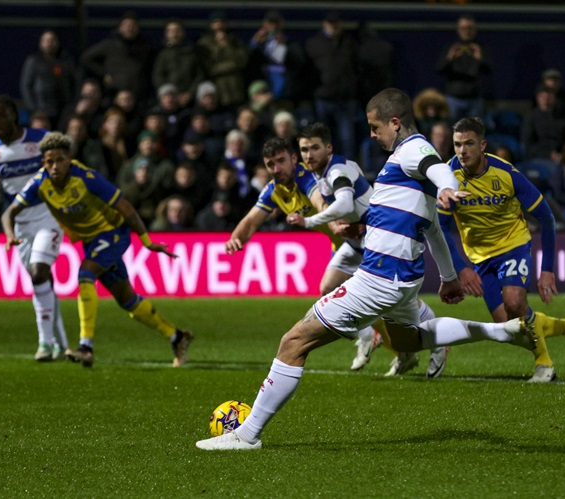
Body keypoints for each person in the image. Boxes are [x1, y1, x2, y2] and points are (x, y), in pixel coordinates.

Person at [195, 88, 538, 450]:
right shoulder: (408, 166)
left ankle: (247, 435)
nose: (372, 135)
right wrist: (449, 276)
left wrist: (449, 186)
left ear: (395, 123)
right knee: (407, 340)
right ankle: (500, 331)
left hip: (379, 277)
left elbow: (436, 168)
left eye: (375, 127)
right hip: (404, 277)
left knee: (293, 342)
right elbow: (433, 228)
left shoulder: (413, 150)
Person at [1, 132, 194, 368]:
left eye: (60, 160)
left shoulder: (87, 178)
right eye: (49, 162)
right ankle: (176, 336)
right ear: (43, 162)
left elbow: (126, 207)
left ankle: (86, 347)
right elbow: (9, 213)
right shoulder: (40, 182)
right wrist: (9, 234)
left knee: (86, 273)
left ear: (69, 159)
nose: (55, 166)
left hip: (113, 232)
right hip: (91, 241)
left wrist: (146, 241)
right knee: (127, 299)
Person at [439, 117, 565, 383]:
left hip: (512, 245)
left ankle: (544, 365)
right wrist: (462, 269)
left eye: (469, 144)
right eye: (457, 144)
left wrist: (547, 270)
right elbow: (441, 228)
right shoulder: (448, 178)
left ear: (482, 145)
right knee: (509, 327)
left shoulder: (506, 174)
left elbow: (546, 217)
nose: (462, 151)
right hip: (480, 257)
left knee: (515, 302)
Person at [288, 123, 448, 376]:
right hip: (357, 242)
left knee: (400, 302)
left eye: (314, 148)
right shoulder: (322, 173)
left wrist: (308, 222)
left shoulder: (337, 171)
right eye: (304, 149)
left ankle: (438, 342)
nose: (309, 155)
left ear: (328, 148)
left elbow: (343, 204)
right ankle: (369, 336)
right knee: (328, 286)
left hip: (377, 242)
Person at [0, 95, 70, 362]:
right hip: (19, 223)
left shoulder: (42, 140)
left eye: (1, 116)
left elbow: (67, 160)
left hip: (49, 215)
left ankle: (44, 343)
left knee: (39, 272)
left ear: (14, 116)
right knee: (42, 280)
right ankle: (61, 345)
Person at [305, 11, 360, 160]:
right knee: (322, 139)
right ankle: (324, 168)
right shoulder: (314, 43)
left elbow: (358, 69)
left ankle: (347, 169)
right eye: (330, 23)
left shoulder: (350, 43)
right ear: (325, 24)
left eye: (336, 23)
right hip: (323, 99)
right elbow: (307, 73)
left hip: (345, 99)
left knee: (347, 140)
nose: (333, 26)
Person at [80, 11, 154, 100]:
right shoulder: (110, 44)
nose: (129, 28)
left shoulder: (145, 47)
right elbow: (86, 58)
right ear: (120, 28)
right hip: (113, 94)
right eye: (126, 25)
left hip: (138, 95)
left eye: (133, 25)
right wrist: (104, 73)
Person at [436, 15, 492, 123]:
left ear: (475, 30)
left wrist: (480, 59)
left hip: (474, 99)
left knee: (475, 129)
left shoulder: (480, 48)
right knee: (452, 128)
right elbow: (439, 69)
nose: (467, 31)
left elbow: (489, 70)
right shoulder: (451, 47)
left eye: (470, 28)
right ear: (458, 30)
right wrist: (450, 58)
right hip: (453, 98)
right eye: (463, 28)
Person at [19, 30, 76, 126]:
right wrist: (34, 108)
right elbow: (26, 86)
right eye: (46, 40)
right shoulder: (33, 61)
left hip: (61, 111)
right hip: (41, 110)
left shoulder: (66, 61)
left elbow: (73, 84)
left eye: (52, 40)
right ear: (41, 43)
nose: (49, 43)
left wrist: (70, 107)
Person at [197, 11, 249, 108]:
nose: (219, 25)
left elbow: (242, 61)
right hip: (218, 90)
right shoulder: (204, 44)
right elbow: (209, 68)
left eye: (221, 22)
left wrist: (226, 46)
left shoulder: (235, 42)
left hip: (236, 89)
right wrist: (220, 47)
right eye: (215, 22)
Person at [152, 20, 202, 109]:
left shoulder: (192, 52)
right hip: (168, 101)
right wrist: (169, 94)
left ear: (183, 33)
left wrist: (190, 93)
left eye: (177, 30)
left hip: (190, 100)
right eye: (171, 31)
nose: (174, 33)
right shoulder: (163, 54)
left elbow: (199, 75)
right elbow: (158, 76)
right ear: (166, 34)